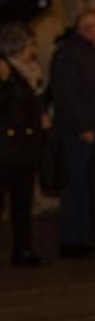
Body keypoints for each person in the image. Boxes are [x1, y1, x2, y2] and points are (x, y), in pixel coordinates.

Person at [49, 9, 95, 257]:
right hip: (80, 136)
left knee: (91, 188)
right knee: (77, 188)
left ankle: (88, 237)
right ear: (88, 28)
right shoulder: (68, 53)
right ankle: (74, 241)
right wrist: (82, 127)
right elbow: (65, 94)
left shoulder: (92, 54)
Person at [0, 22, 46, 266]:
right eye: (30, 44)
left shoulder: (30, 72)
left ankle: (23, 249)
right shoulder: (6, 72)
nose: (34, 49)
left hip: (25, 148)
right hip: (6, 149)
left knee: (22, 201)